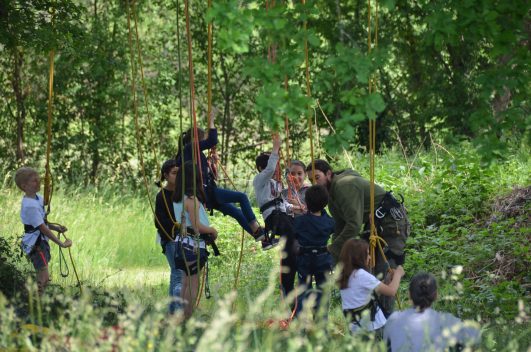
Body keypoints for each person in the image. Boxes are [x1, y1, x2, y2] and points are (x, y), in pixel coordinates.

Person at [307, 159, 410, 316]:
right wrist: (331, 254)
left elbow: (353, 225)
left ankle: (386, 322)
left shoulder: (343, 186)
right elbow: (340, 226)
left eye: (317, 177)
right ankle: (373, 318)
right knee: (369, 272)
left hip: (391, 225)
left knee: (384, 270)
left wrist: (333, 250)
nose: (314, 183)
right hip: (374, 225)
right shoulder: (331, 193)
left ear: (329, 174)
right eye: (311, 180)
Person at [175, 109, 273, 248]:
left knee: (236, 212)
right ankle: (256, 228)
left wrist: (212, 164)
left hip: (207, 192)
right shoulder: (190, 148)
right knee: (242, 197)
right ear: (196, 139)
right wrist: (211, 121)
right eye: (202, 141)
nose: (203, 144)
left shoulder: (192, 154)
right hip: (206, 191)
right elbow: (212, 140)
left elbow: (210, 175)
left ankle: (263, 240)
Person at [384, 272, 480, 351]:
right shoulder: (448, 321)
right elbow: (475, 339)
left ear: (409, 294)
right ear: (436, 295)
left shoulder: (393, 320)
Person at [15, 167, 72, 295]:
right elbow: (42, 228)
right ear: (24, 186)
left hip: (41, 242)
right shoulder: (30, 206)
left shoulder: (38, 198)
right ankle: (34, 302)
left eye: (39, 179)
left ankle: (39, 302)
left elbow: (42, 220)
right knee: (43, 276)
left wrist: (56, 228)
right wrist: (61, 243)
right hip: (36, 244)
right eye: (34, 181)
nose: (39, 182)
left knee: (45, 277)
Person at [172, 161, 218, 319]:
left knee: (186, 281)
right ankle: (187, 316)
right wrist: (212, 230)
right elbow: (197, 226)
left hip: (182, 242)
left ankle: (183, 316)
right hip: (193, 244)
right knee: (192, 283)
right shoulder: (191, 199)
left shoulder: (178, 197)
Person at [253, 134, 298, 297]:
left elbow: (282, 203)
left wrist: (297, 207)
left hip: (282, 216)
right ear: (262, 169)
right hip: (274, 218)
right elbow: (270, 168)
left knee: (297, 234)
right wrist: (276, 148)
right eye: (274, 166)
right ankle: (287, 275)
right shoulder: (260, 181)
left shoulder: (275, 184)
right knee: (291, 236)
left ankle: (291, 267)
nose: (276, 169)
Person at [339, 238, 404, 336]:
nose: (370, 257)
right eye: (367, 254)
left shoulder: (345, 275)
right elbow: (391, 291)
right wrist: (398, 274)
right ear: (359, 257)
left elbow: (365, 292)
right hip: (373, 328)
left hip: (356, 329)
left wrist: (386, 280)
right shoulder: (361, 275)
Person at [293, 185, 334, 318]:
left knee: (303, 291)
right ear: (325, 203)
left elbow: (292, 237)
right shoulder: (329, 222)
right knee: (323, 291)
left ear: (306, 202)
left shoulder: (299, 221)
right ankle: (321, 323)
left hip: (305, 259)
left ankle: (300, 324)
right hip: (323, 259)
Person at [154, 159, 184, 314]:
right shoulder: (162, 196)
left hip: (182, 239)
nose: (177, 176)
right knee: (179, 274)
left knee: (175, 274)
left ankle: (172, 312)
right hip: (170, 240)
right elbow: (158, 221)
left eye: (179, 173)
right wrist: (174, 230)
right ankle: (178, 313)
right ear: (165, 175)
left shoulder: (181, 194)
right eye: (174, 173)